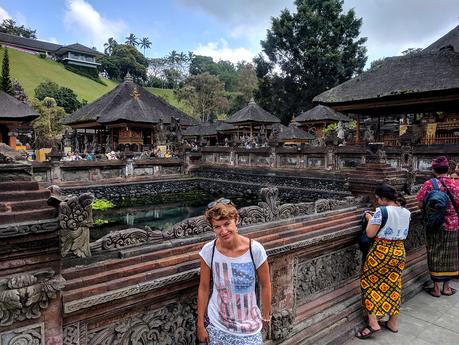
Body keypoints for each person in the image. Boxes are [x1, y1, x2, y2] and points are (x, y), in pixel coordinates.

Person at [197, 198, 271, 344]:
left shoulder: (254, 249)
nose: (223, 231)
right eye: (217, 227)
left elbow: (266, 284)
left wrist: (266, 315)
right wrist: (200, 324)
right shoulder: (209, 250)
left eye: (226, 224)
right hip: (218, 325)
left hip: (249, 326)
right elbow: (204, 288)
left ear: (236, 220)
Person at [356, 183, 411, 339]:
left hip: (381, 252)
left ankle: (373, 323)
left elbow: (370, 233)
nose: (377, 201)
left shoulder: (381, 211)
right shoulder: (406, 212)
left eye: (378, 198)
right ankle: (393, 322)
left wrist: (369, 217)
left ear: (383, 199)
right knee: (394, 284)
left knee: (368, 283)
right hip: (399, 251)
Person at [416, 156, 459, 297]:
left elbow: (420, 204)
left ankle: (436, 288)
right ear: (448, 169)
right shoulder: (456, 184)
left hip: (435, 225)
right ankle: (446, 287)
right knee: (451, 256)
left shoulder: (429, 184)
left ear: (433, 170)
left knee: (434, 253)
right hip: (453, 225)